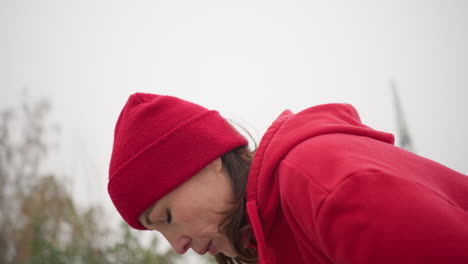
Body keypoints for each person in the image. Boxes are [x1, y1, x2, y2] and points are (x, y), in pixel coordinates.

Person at [108, 92, 468, 264]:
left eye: (166, 217)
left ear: (207, 162)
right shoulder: (277, 240)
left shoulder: (314, 178)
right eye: (160, 233)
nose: (178, 247)